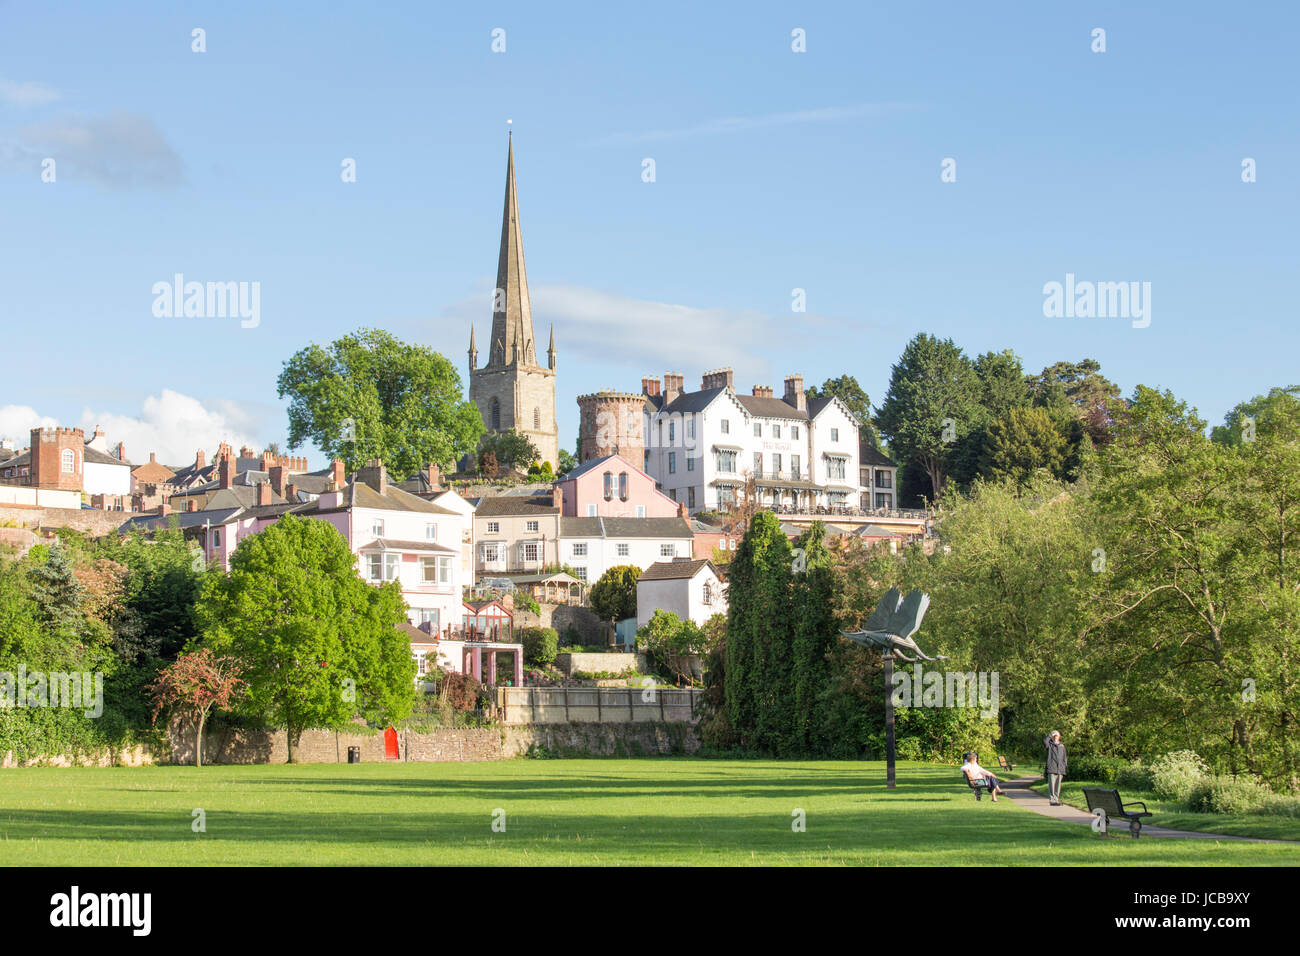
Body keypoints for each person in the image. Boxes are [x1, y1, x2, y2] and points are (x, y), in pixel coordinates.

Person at [1044, 730, 1068, 805]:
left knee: (1058, 786)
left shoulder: (1062, 746)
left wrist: (1064, 766)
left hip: (1060, 769)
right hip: (1052, 768)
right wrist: (1050, 734)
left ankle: (1056, 799)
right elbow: (1045, 741)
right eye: (1054, 736)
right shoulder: (1049, 745)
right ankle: (1052, 800)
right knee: (1051, 785)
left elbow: (1064, 757)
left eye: (1056, 736)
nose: (1055, 737)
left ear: (1059, 737)